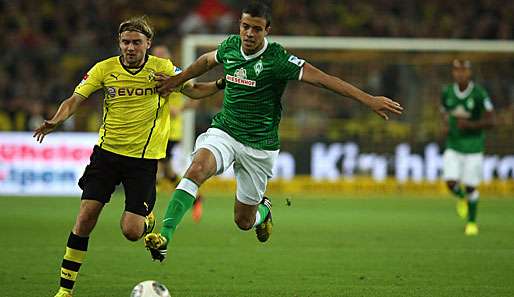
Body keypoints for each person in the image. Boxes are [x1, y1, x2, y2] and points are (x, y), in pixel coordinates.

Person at [144, 2, 403, 262]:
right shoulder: (231, 46)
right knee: (196, 168)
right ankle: (165, 237)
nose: (249, 34)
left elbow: (324, 79)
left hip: (260, 145)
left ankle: (263, 214)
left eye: (256, 29)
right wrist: (175, 81)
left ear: (267, 30)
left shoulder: (278, 59)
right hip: (226, 130)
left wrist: (368, 99)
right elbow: (205, 61)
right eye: (245, 26)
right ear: (240, 26)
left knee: (243, 221)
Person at [33, 16, 224, 297]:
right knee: (85, 218)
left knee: (132, 231)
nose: (130, 47)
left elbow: (194, 91)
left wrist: (222, 83)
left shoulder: (163, 68)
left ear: (148, 44)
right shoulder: (104, 69)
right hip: (106, 155)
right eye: (125, 42)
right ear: (119, 43)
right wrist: (56, 120)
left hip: (143, 162)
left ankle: (146, 221)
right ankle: (65, 290)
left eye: (136, 42)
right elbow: (75, 99)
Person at [441, 59, 495, 236]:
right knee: (450, 182)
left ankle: (471, 223)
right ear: (453, 72)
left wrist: (471, 125)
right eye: (457, 70)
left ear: (469, 72)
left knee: (471, 186)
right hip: (454, 144)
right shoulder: (447, 92)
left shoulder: (479, 93)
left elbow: (491, 121)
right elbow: (444, 112)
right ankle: (461, 197)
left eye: (463, 70)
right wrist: (446, 124)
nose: (460, 73)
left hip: (474, 146)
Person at [151, 45, 205, 223]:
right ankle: (195, 199)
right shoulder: (149, 75)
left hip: (171, 131)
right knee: (166, 171)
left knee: (154, 165)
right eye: (156, 55)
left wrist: (180, 109)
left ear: (168, 57)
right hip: (155, 128)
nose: (158, 58)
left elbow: (196, 99)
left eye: (162, 55)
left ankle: (146, 209)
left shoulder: (177, 75)